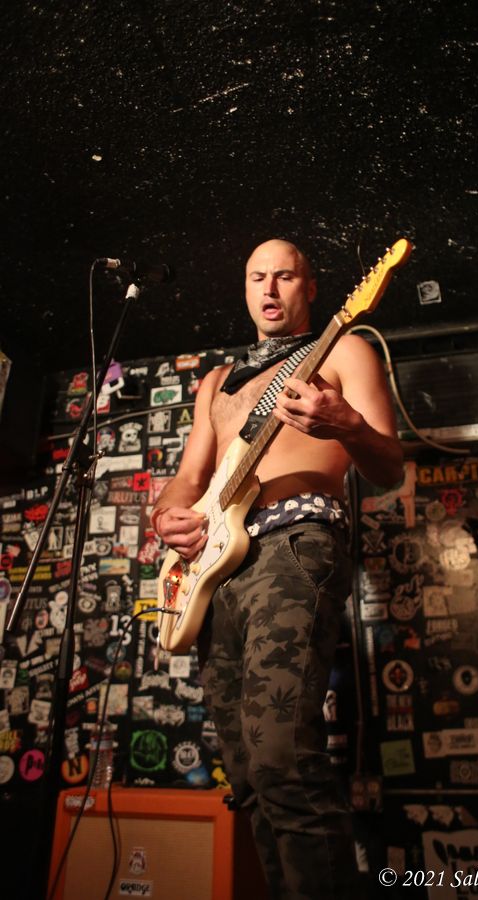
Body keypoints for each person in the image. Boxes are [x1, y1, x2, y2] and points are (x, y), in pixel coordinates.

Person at [152, 239, 404, 899]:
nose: (268, 288)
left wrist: (346, 424)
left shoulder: (345, 349)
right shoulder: (218, 382)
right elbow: (188, 480)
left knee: (281, 756)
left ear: (310, 288)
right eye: (256, 277)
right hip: (215, 570)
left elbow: (389, 466)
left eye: (284, 276)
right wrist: (166, 516)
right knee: (246, 773)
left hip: (295, 544)